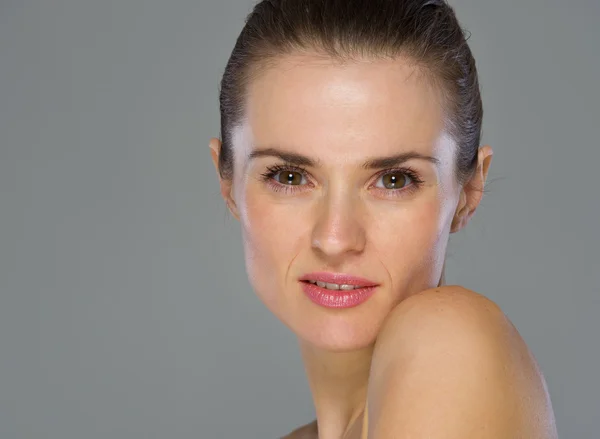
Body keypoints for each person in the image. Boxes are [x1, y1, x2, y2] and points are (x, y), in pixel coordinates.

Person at [208, 0, 558, 437]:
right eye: (290, 176)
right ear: (228, 183)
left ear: (469, 191)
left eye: (393, 180)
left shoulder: (450, 340)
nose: (335, 238)